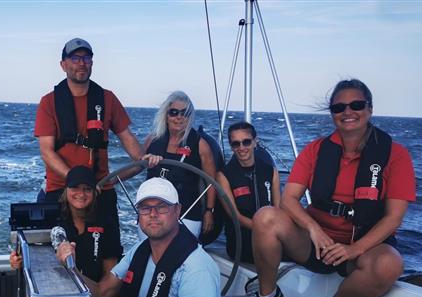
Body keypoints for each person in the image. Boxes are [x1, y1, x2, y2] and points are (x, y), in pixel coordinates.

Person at [239, 79, 415, 297]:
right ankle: (267, 296)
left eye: (356, 105)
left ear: (369, 109)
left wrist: (354, 248)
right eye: (339, 107)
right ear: (332, 112)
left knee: (390, 266)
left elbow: (394, 217)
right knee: (265, 216)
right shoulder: (316, 150)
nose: (348, 112)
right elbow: (289, 199)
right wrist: (314, 229)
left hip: (361, 247)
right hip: (316, 244)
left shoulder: (396, 155)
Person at [63, 177, 220, 297]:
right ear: (138, 214)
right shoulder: (140, 250)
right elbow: (99, 294)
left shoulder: (196, 268)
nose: (152, 214)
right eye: (145, 208)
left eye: (162, 207)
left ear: (177, 210)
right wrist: (69, 267)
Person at [0, 166, 123, 297]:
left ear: (95, 192)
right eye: (75, 188)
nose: (81, 194)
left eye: (87, 188)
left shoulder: (107, 224)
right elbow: (31, 257)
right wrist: (18, 261)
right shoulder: (50, 220)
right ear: (66, 191)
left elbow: (110, 279)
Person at [34, 37, 149, 227]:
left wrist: (145, 157)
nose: (81, 63)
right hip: (61, 189)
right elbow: (46, 151)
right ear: (63, 65)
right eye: (75, 58)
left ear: (92, 63)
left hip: (99, 187)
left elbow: (127, 138)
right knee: (55, 251)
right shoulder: (49, 102)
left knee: (108, 252)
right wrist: (75, 180)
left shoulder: (108, 98)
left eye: (86, 58)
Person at [143, 91, 218, 240]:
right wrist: (111, 181)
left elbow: (211, 182)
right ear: (166, 115)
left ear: (190, 117)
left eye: (184, 113)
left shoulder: (200, 145)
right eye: (174, 112)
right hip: (152, 214)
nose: (179, 117)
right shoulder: (152, 140)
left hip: (187, 213)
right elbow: (135, 166)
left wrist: (209, 211)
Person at [216, 122, 280, 263]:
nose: (242, 148)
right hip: (241, 242)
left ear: (255, 142)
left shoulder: (271, 171)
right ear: (231, 147)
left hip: (270, 236)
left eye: (246, 142)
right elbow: (235, 216)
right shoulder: (223, 176)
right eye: (236, 144)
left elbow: (278, 209)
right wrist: (265, 230)